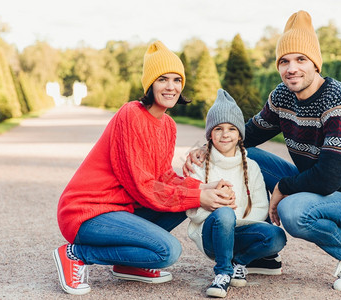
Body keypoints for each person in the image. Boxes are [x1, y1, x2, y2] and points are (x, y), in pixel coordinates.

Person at [184, 10, 341, 292]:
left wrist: (283, 187)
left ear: (315, 63)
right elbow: (249, 134)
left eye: (301, 59)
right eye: (284, 61)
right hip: (319, 189)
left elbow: (328, 179)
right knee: (245, 154)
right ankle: (262, 251)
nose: (292, 68)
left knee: (292, 210)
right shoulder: (282, 96)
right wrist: (205, 149)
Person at [53, 40, 235, 296]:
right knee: (167, 250)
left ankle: (128, 264)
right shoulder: (131, 114)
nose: (171, 87)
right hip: (88, 212)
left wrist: (204, 187)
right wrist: (197, 195)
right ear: (150, 84)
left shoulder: (168, 125)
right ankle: (76, 254)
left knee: (188, 203)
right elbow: (142, 186)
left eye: (176, 80)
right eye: (163, 79)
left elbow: (164, 177)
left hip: (122, 210)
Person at [186, 89, 286, 298]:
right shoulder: (200, 164)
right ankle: (222, 273)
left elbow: (260, 207)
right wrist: (222, 213)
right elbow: (192, 210)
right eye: (218, 128)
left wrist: (235, 222)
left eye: (231, 128)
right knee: (224, 214)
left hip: (241, 232)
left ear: (239, 134)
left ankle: (240, 261)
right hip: (212, 235)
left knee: (277, 236)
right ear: (209, 134)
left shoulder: (252, 166)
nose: (225, 134)